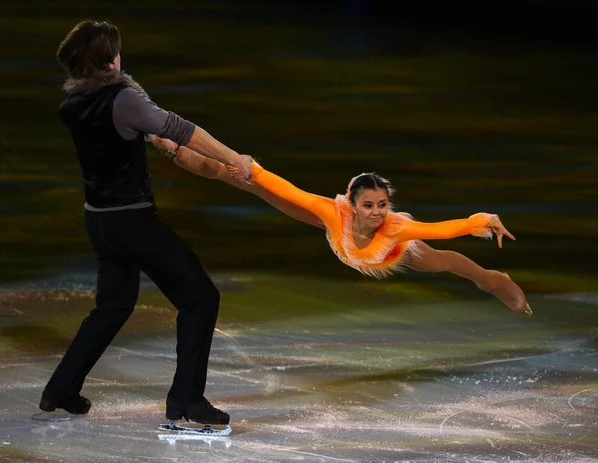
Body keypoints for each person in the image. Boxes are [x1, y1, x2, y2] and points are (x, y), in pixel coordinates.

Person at [39, 20, 251, 425]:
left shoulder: (72, 106)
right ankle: (187, 400)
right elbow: (181, 129)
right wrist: (234, 158)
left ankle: (61, 388)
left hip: (98, 220)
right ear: (111, 60)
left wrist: (158, 140)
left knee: (113, 305)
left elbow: (136, 134)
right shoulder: (123, 99)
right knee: (200, 297)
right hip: (132, 222)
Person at [151, 138, 531, 315]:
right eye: (369, 205)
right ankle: (171, 147)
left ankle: (494, 279)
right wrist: (252, 169)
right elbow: (288, 190)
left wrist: (481, 221)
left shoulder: (394, 231)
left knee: (447, 263)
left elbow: (444, 230)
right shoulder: (335, 214)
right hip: (341, 237)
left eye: (383, 204)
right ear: (352, 204)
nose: (378, 212)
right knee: (244, 180)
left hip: (395, 255)